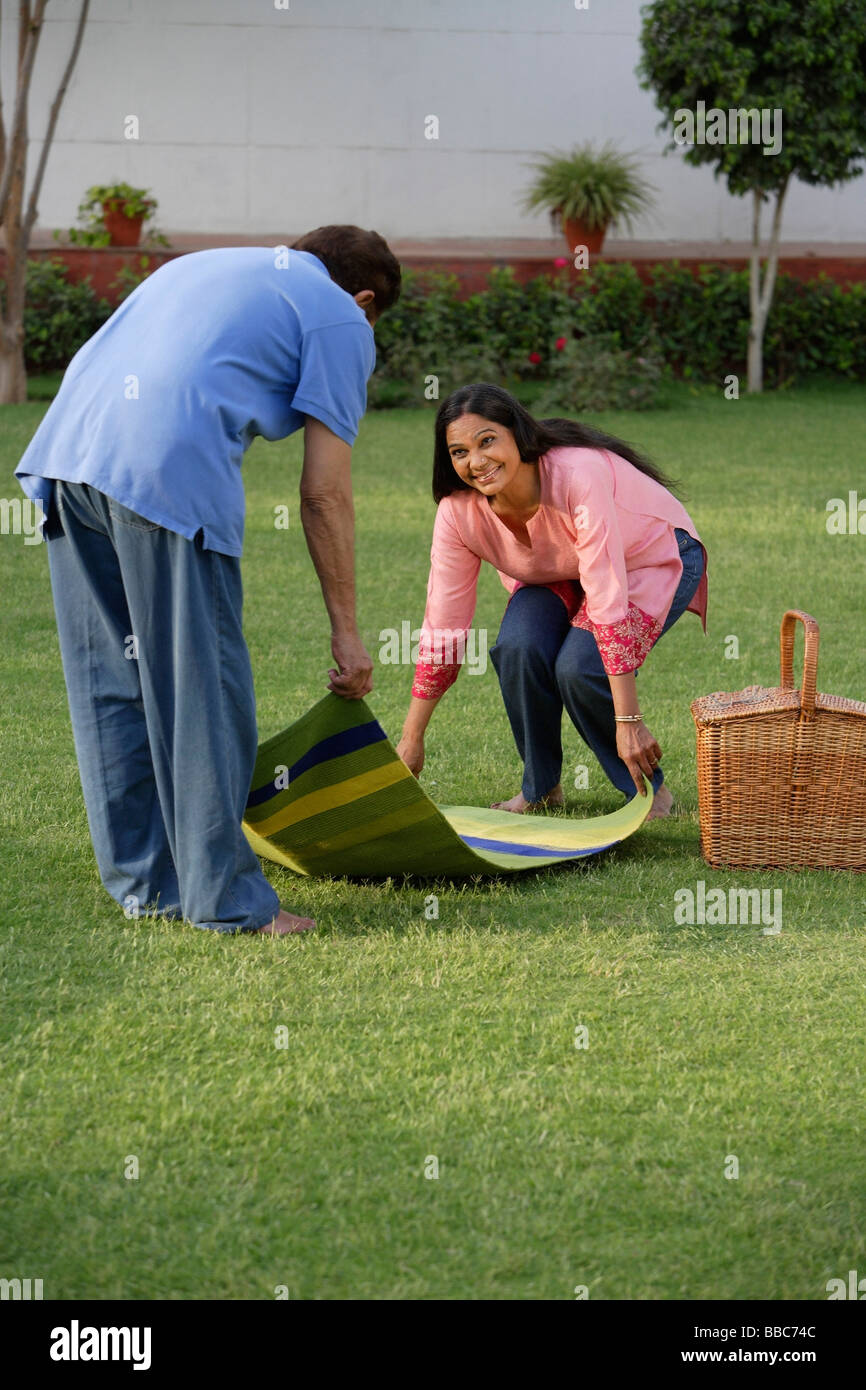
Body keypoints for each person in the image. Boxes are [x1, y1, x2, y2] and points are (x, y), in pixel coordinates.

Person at [14, 225, 401, 936]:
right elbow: (324, 492)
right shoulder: (344, 315)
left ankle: (146, 884)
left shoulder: (214, 265)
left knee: (112, 683)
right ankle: (229, 903)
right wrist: (347, 631)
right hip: (162, 471)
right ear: (366, 298)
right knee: (204, 691)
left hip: (66, 457)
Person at [396, 383, 707, 818]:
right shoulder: (457, 512)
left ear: (518, 435)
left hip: (649, 557)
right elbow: (443, 625)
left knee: (579, 666)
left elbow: (606, 590)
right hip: (558, 570)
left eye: (487, 441)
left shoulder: (578, 475)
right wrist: (412, 738)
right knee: (518, 647)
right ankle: (541, 788)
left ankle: (647, 792)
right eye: (459, 452)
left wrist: (629, 721)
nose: (477, 461)